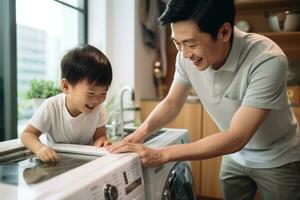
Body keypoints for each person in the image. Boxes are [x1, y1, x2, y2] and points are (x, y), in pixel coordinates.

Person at [107, 0, 300, 199]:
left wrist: (162, 154)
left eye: (191, 43)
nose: (184, 54)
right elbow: (172, 102)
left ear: (224, 32)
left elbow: (238, 136)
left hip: (277, 157)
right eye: (177, 43)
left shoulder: (267, 59)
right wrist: (140, 133)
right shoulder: (187, 55)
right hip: (235, 156)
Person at [21, 44, 113, 163]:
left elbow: (100, 136)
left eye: (103, 94)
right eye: (90, 93)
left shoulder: (99, 109)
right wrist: (40, 149)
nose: (96, 100)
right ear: (66, 86)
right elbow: (27, 135)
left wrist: (102, 141)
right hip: (57, 160)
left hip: (86, 162)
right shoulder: (51, 106)